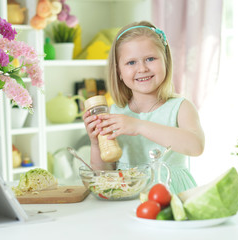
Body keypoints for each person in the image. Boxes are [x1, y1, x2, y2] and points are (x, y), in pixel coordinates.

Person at [82, 21, 205, 194]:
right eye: (131, 62)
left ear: (166, 61)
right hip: (128, 197)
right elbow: (104, 174)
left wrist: (138, 126)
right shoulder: (115, 112)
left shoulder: (181, 107)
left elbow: (196, 146)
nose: (142, 68)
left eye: (150, 59)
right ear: (119, 72)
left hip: (173, 195)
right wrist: (96, 144)